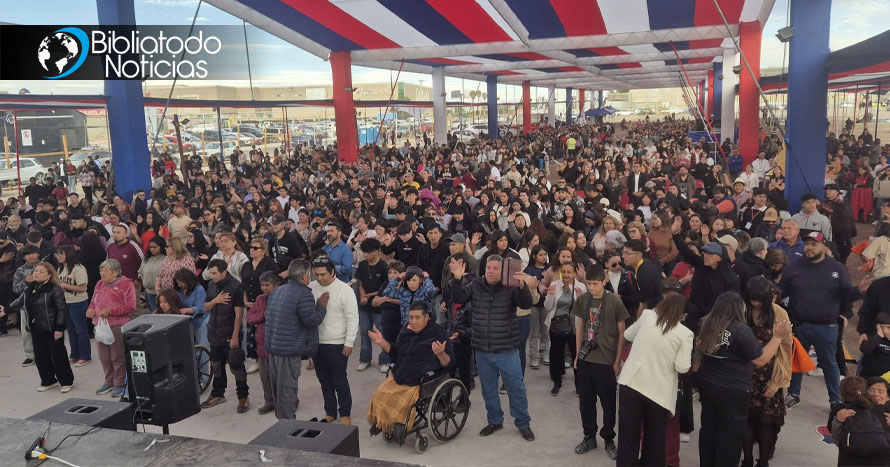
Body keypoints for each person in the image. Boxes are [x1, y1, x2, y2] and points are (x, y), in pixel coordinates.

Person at [695, 292, 792, 467]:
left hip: (708, 384)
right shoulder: (740, 330)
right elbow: (760, 359)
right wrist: (777, 337)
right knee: (730, 436)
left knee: (709, 428)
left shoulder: (706, 323)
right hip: (733, 390)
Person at [448, 254, 535, 441]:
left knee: (516, 388)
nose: (491, 271)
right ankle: (495, 420)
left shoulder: (511, 286)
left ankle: (523, 423)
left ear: (502, 270)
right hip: (482, 350)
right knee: (488, 390)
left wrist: (522, 286)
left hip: (507, 349)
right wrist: (457, 279)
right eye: (489, 268)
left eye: (496, 268)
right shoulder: (475, 285)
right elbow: (459, 297)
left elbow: (526, 303)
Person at [782, 232, 860, 409]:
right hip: (800, 324)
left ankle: (835, 400)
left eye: (814, 244)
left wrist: (859, 292)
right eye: (807, 244)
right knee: (797, 361)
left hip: (827, 326)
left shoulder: (837, 268)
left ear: (824, 247)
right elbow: (782, 289)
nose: (809, 247)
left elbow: (847, 294)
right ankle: (793, 394)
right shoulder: (794, 267)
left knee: (829, 363)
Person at [616, 293, 693, 467]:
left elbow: (628, 334)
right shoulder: (685, 333)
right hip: (658, 393)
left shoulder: (647, 315)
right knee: (654, 442)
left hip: (631, 383)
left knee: (628, 438)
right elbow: (682, 367)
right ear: (683, 315)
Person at [366, 301, 455, 436]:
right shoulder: (406, 330)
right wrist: (381, 342)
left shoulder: (437, 333)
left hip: (421, 379)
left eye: (417, 318)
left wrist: (440, 353)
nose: (413, 322)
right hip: (401, 374)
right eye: (411, 317)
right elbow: (396, 352)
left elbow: (449, 363)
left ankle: (397, 424)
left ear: (427, 317)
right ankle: (384, 422)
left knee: (398, 401)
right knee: (379, 395)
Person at [571, 265, 628, 458]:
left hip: (606, 361)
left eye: (595, 284)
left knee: (608, 403)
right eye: (588, 283)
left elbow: (622, 333)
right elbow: (580, 327)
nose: (591, 287)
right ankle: (589, 436)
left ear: (604, 281)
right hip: (586, 359)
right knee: (586, 402)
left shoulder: (614, 302)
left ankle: (609, 438)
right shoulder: (583, 300)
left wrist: (618, 361)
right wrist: (577, 355)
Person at [264, 260, 327, 420]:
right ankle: (288, 426)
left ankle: (282, 423)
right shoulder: (304, 293)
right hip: (289, 351)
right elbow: (311, 321)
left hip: (274, 348)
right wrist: (321, 307)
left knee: (278, 390)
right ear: (304, 276)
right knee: (287, 390)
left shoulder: (277, 291)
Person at [742, 276, 794, 467]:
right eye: (752, 299)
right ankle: (747, 459)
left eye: (759, 300)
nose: (756, 304)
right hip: (744, 374)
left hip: (769, 375)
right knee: (745, 420)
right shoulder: (742, 309)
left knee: (767, 423)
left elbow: (786, 351)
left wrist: (776, 382)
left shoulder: (779, 313)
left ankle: (763, 462)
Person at [7, 262, 73, 393]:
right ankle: (48, 380)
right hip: (36, 327)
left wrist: (59, 328)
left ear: (49, 275)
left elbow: (61, 310)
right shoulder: (30, 287)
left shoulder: (54, 288)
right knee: (41, 356)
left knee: (58, 356)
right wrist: (6, 310)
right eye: (36, 271)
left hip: (52, 328)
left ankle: (66, 381)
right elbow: (20, 301)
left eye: (41, 271)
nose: (37, 273)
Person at [309, 256, 359, 425]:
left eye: (323, 274)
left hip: (337, 344)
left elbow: (352, 318)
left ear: (332, 272)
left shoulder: (345, 290)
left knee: (340, 380)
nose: (319, 278)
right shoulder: (311, 287)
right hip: (317, 343)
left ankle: (345, 413)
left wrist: (349, 343)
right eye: (316, 274)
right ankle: (330, 412)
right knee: (324, 381)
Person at [201, 259, 249, 414]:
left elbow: (239, 314)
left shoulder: (236, 287)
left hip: (229, 334)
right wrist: (215, 301)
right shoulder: (211, 285)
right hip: (214, 333)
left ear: (224, 271)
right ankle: (218, 393)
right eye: (210, 273)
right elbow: (205, 307)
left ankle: (243, 396)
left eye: (215, 273)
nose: (212, 276)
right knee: (216, 365)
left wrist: (235, 337)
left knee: (236, 366)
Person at [87, 259, 136, 398]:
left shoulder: (126, 284)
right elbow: (93, 301)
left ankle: (119, 383)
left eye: (106, 270)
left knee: (117, 356)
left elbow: (131, 306)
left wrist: (111, 311)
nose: (102, 273)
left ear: (116, 272)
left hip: (117, 325)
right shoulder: (99, 283)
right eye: (101, 270)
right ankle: (108, 381)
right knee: (104, 356)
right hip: (100, 324)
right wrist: (90, 309)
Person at [543, 261, 587, 396]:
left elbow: (584, 311)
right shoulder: (555, 285)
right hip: (557, 325)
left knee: (576, 355)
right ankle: (557, 382)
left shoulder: (581, 287)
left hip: (575, 327)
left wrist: (580, 298)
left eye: (569, 272)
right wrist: (550, 295)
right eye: (564, 272)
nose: (566, 275)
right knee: (556, 354)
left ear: (575, 273)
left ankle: (579, 385)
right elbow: (548, 307)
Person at [829, 376, 890, 466]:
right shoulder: (843, 411)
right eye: (871, 390)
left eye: (880, 391)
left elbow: (838, 440)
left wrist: (838, 422)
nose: (876, 394)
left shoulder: (843, 410)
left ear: (888, 397)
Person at [245, 271, 280, 416]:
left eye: (267, 285)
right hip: (262, 345)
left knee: (282, 378)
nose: (264, 288)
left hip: (278, 346)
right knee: (265, 377)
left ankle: (289, 401)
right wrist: (263, 315)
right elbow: (249, 318)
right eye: (262, 285)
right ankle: (269, 401)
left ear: (276, 285)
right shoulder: (260, 299)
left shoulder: (283, 298)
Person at [355, 238, 390, 372]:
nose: (365, 255)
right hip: (364, 307)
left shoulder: (383, 266)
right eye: (364, 252)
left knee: (382, 334)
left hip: (379, 307)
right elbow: (360, 283)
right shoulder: (362, 265)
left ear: (376, 251)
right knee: (364, 333)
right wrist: (363, 295)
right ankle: (365, 359)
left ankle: (385, 361)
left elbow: (385, 287)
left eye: (368, 252)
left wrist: (368, 296)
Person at [55, 246, 90, 366]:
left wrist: (65, 286)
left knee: (81, 330)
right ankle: (74, 354)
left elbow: (82, 288)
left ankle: (85, 355)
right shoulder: (60, 268)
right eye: (57, 254)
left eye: (61, 254)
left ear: (69, 254)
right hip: (65, 302)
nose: (58, 256)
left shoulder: (78, 268)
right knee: (71, 330)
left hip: (78, 302)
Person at [138, 237, 166, 312]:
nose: (152, 249)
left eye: (155, 247)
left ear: (161, 246)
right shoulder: (146, 259)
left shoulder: (166, 259)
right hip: (149, 292)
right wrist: (144, 280)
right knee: (154, 311)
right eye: (150, 247)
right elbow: (140, 272)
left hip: (162, 292)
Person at [859, 312, 890, 379]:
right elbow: (864, 350)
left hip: (886, 380)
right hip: (868, 376)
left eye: (889, 327)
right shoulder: (873, 337)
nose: (885, 331)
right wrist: (878, 337)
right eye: (882, 327)